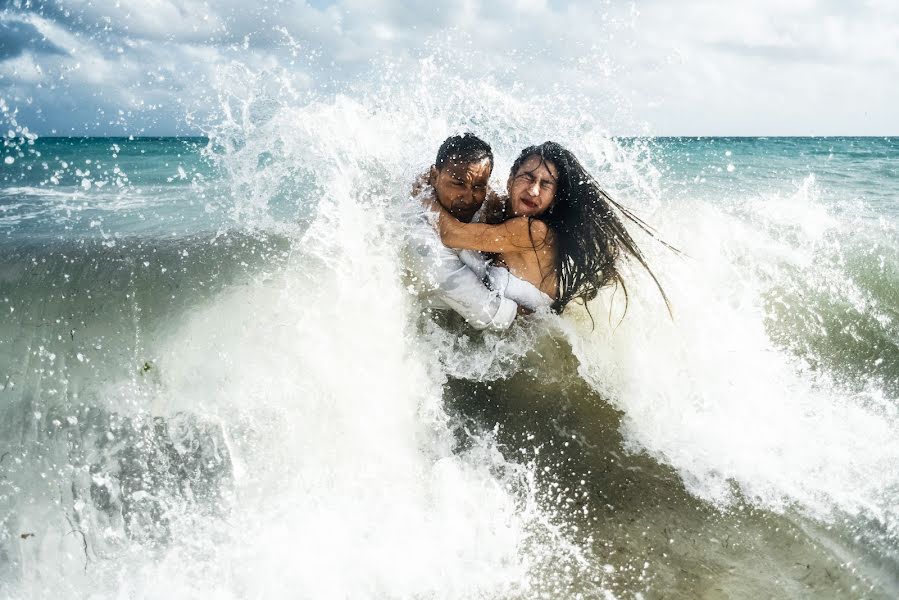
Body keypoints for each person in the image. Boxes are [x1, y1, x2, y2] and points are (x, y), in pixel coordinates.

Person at [429, 141, 671, 316]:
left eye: (546, 184)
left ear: (555, 197)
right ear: (510, 179)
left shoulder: (534, 232)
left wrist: (424, 198)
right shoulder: (500, 208)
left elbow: (452, 234)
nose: (533, 190)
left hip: (535, 352)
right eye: (527, 177)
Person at [404, 133, 520, 331]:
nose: (468, 198)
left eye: (478, 186)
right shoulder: (421, 240)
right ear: (434, 176)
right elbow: (491, 317)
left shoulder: (485, 202)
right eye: (457, 184)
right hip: (431, 329)